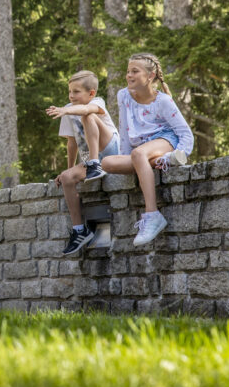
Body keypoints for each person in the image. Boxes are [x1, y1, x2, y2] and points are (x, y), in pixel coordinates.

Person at [101, 53, 193, 247]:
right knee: (107, 162)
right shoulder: (124, 95)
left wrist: (183, 151)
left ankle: (152, 215)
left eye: (135, 71)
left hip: (165, 139)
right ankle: (164, 161)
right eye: (128, 71)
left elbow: (185, 133)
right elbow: (124, 129)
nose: (129, 75)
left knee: (138, 154)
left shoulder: (163, 101)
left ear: (150, 76)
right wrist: (125, 156)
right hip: (142, 148)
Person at [45, 70, 120, 255]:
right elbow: (72, 143)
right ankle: (80, 230)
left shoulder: (97, 103)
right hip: (91, 160)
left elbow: (87, 111)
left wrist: (65, 110)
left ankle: (94, 162)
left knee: (88, 116)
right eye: (70, 91)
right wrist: (69, 169)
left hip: (110, 150)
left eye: (76, 92)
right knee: (67, 178)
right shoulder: (68, 110)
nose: (71, 96)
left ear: (91, 93)